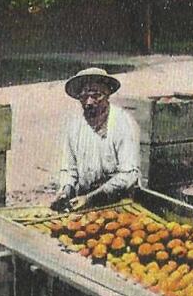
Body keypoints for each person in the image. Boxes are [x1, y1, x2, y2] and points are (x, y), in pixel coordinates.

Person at [52, 68, 141, 211]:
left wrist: (91, 198)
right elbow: (69, 169)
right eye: (83, 96)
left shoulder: (123, 123)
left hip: (118, 201)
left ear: (107, 96)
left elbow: (128, 174)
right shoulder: (75, 125)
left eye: (96, 96)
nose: (88, 102)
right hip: (82, 200)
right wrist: (65, 190)